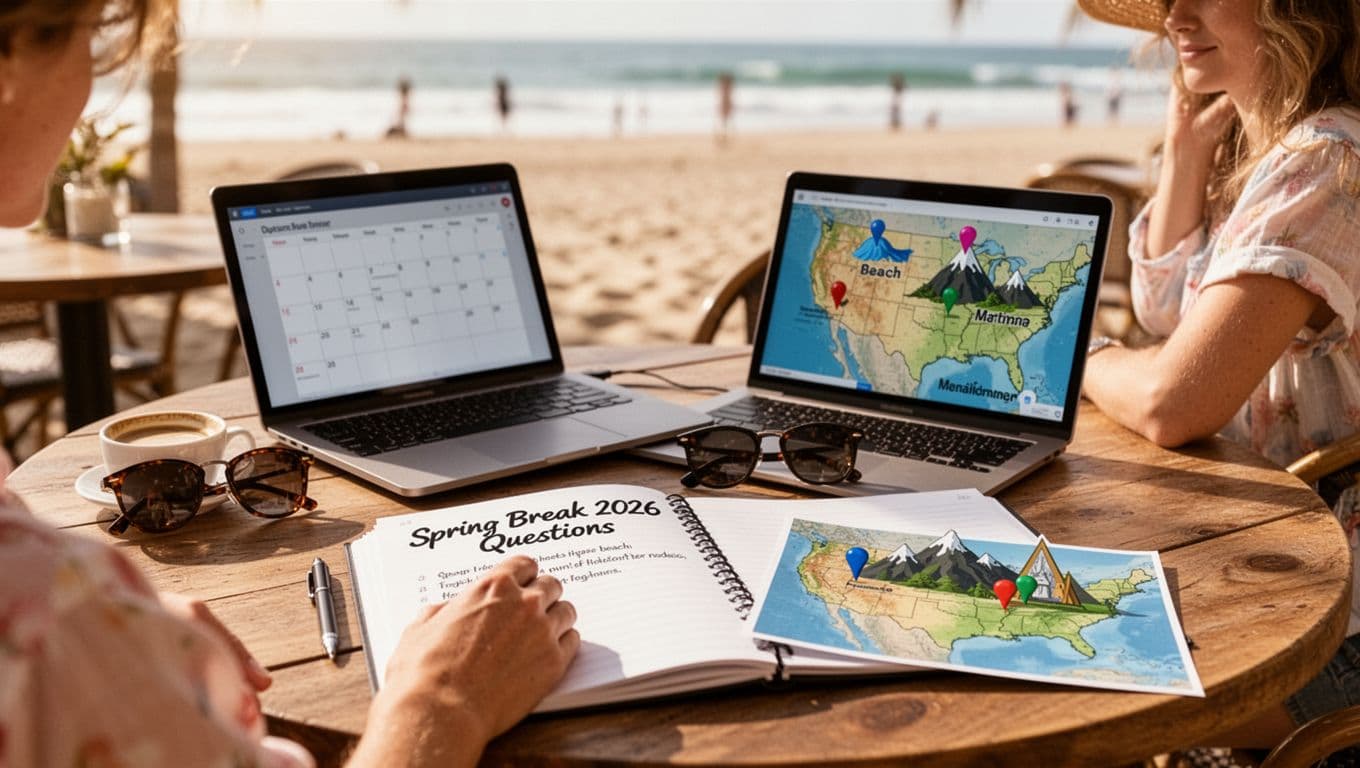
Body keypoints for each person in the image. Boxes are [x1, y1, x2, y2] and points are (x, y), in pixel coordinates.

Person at [0, 3, 579, 766]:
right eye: (92, 37)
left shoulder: (64, 624)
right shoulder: (47, 626)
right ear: (11, 62)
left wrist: (125, 638)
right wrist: (441, 702)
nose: (94, 84)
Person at [1077, 0, 1360, 748]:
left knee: (1059, 689)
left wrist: (1083, 357)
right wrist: (1184, 149)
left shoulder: (1328, 164)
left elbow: (1176, 401)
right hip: (1258, 550)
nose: (1175, 14)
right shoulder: (1265, 149)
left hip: (1335, 613)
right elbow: (1166, 308)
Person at [716, 70, 735, 145]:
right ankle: (724, 137)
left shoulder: (724, 87)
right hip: (725, 104)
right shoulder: (727, 87)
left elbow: (721, 96)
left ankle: (724, 137)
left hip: (725, 104)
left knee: (724, 122)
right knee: (725, 122)